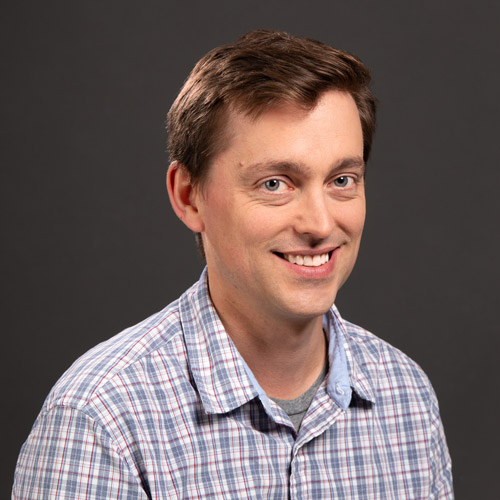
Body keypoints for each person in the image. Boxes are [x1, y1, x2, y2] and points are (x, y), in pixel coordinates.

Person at [13, 30, 453, 499]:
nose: (321, 223)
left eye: (342, 179)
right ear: (189, 196)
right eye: (274, 184)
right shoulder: (101, 419)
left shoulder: (407, 397)